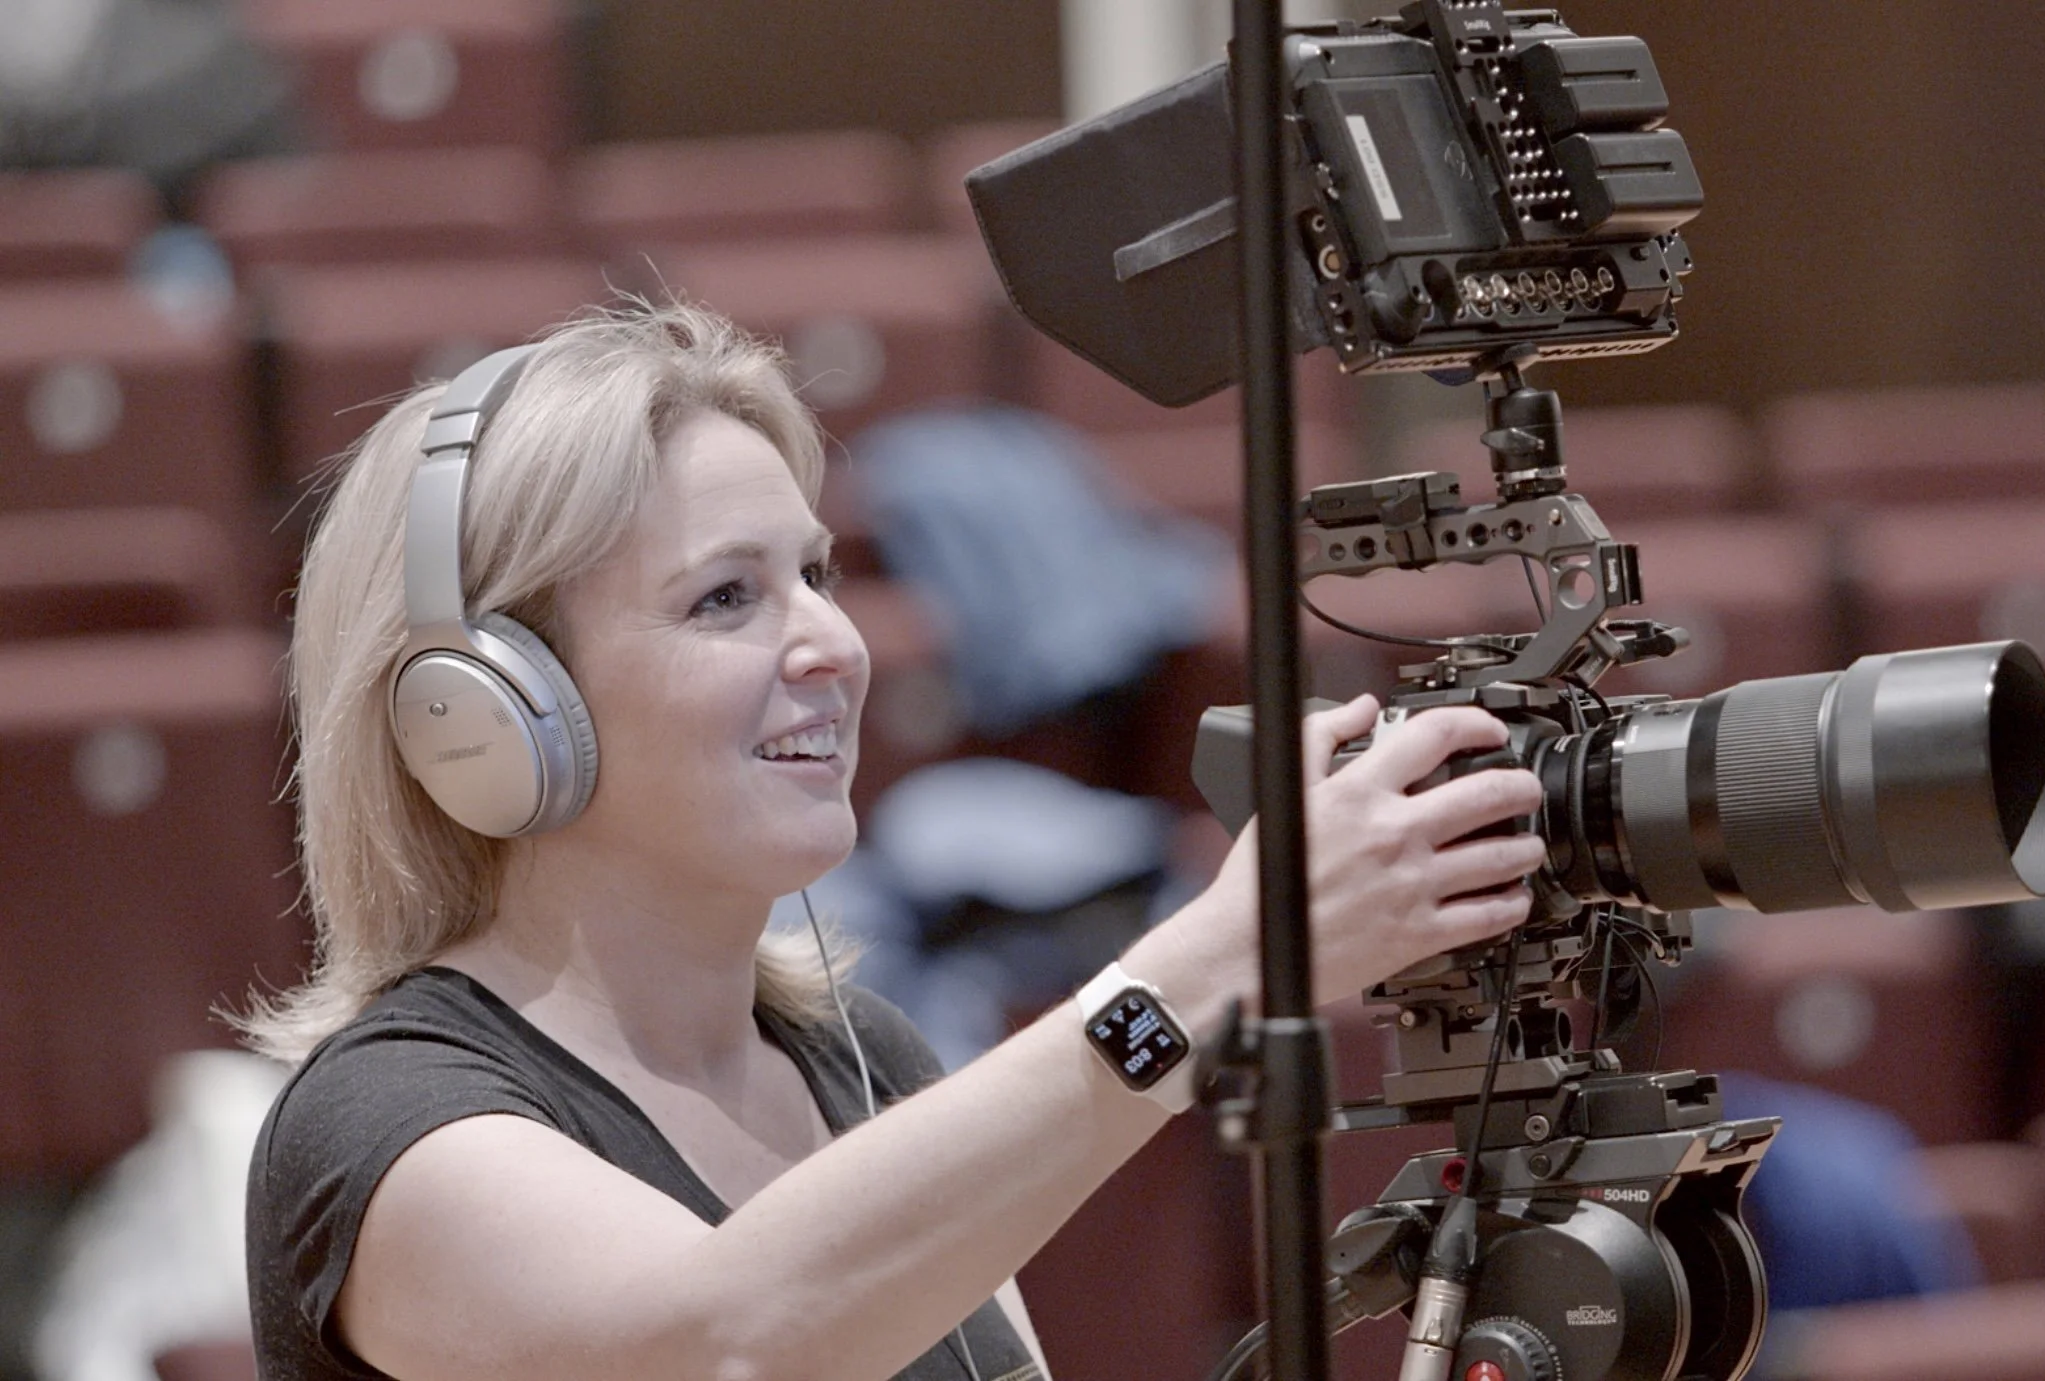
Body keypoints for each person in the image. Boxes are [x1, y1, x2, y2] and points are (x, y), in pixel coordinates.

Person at [242, 302, 1546, 1381]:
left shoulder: (860, 1059)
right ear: (483, 714)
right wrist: (1214, 963)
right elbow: (728, 1344)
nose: (832, 644)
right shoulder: (386, 1129)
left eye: (819, 574)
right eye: (726, 597)